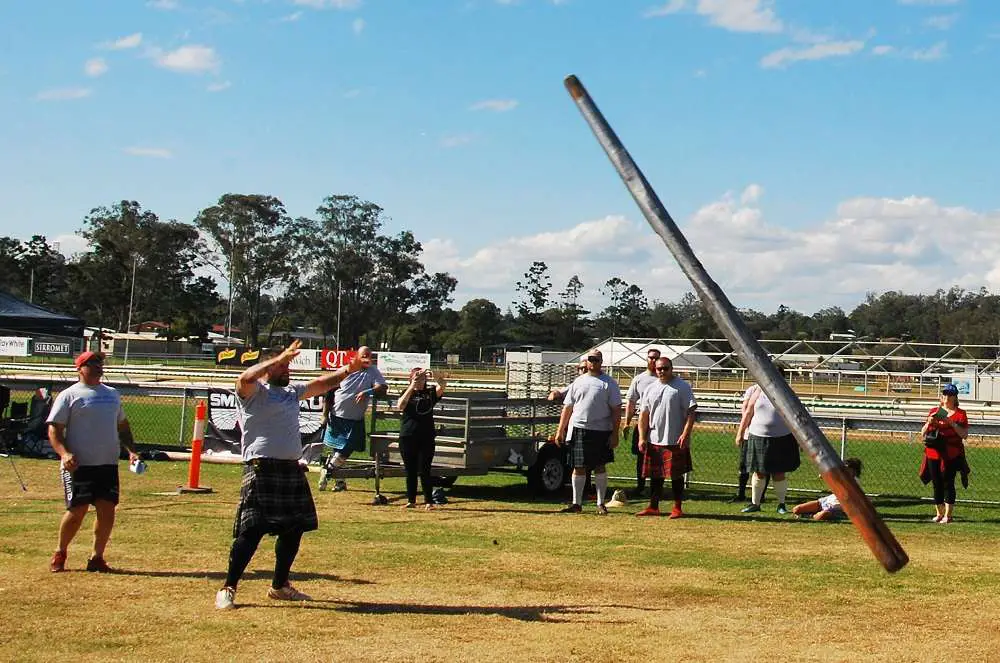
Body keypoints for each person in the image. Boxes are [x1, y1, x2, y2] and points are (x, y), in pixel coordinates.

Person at [215, 340, 361, 610]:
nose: (287, 370)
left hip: (290, 468)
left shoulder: (292, 391)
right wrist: (277, 358)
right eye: (282, 366)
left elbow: (320, 383)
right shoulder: (253, 392)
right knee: (252, 530)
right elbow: (244, 377)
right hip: (261, 468)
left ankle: (279, 586)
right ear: (267, 369)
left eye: (287, 366)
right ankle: (228, 587)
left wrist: (346, 371)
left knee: (294, 529)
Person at [46, 351, 140, 573]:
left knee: (107, 510)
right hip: (79, 465)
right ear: (79, 368)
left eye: (100, 363)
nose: (98, 366)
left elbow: (122, 426)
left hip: (107, 464)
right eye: (92, 363)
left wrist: (132, 451)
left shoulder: (112, 394)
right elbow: (54, 429)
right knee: (77, 511)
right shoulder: (69, 395)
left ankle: (96, 557)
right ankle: (61, 551)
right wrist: (64, 454)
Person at [554, 350, 621, 515]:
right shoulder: (578, 382)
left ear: (601, 361)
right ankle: (576, 503)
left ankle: (600, 503)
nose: (593, 362)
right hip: (579, 429)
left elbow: (616, 410)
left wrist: (614, 433)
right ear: (587, 361)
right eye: (590, 359)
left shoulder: (609, 383)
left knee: (599, 466)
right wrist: (560, 430)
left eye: (596, 359)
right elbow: (568, 407)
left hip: (601, 430)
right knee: (579, 466)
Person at [317, 346, 387, 492]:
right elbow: (329, 392)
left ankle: (328, 470)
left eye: (369, 355)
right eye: (364, 355)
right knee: (339, 451)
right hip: (337, 416)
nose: (367, 357)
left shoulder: (373, 371)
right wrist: (324, 415)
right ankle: (340, 482)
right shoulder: (346, 370)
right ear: (357, 356)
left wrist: (367, 391)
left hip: (355, 419)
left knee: (346, 449)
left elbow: (382, 387)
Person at [636, 356, 697, 518]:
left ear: (671, 368)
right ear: (655, 369)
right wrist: (642, 437)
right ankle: (653, 506)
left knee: (676, 475)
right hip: (654, 438)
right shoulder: (650, 388)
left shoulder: (682, 387)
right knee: (655, 476)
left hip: (675, 439)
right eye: (659, 369)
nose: (662, 371)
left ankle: (677, 507)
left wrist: (685, 433)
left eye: (665, 368)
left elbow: (691, 413)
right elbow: (643, 415)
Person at [737, 383, 800, 514]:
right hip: (758, 435)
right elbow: (748, 412)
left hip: (782, 436)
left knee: (779, 472)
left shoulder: (786, 392)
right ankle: (755, 504)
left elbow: (796, 414)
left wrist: (800, 437)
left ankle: (781, 505)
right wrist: (740, 433)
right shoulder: (758, 391)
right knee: (758, 472)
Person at [396, 367, 447, 509]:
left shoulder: (430, 393)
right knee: (410, 470)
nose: (420, 381)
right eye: (417, 378)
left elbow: (442, 386)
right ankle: (411, 500)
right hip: (408, 435)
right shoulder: (407, 392)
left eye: (422, 378)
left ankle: (428, 501)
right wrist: (412, 386)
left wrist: (436, 375)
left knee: (425, 469)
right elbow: (400, 406)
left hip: (426, 436)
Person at [918, 383, 970, 524]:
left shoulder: (960, 414)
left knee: (948, 482)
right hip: (933, 453)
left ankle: (948, 514)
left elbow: (964, 435)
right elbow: (922, 433)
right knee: (936, 483)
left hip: (950, 454)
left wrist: (951, 423)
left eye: (950, 395)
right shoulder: (935, 410)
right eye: (945, 394)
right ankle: (939, 513)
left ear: (955, 397)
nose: (947, 397)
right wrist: (929, 422)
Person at [624, 347, 661, 498]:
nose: (653, 360)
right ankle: (640, 486)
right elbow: (631, 402)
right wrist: (626, 422)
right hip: (641, 424)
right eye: (651, 357)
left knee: (657, 457)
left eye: (656, 358)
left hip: (658, 424)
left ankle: (655, 488)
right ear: (647, 359)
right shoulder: (639, 379)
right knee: (640, 456)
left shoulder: (663, 378)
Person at [730, 384, 769, 503]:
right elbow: (745, 410)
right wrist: (741, 432)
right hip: (749, 433)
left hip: (763, 434)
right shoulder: (752, 390)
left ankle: (760, 495)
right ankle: (740, 493)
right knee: (744, 465)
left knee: (763, 466)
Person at [792, 457, 863, 521]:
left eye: (848, 468)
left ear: (854, 471)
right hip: (825, 502)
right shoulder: (841, 476)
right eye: (844, 467)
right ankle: (812, 513)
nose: (845, 470)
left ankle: (810, 515)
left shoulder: (855, 482)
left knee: (821, 516)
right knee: (796, 509)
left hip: (837, 508)